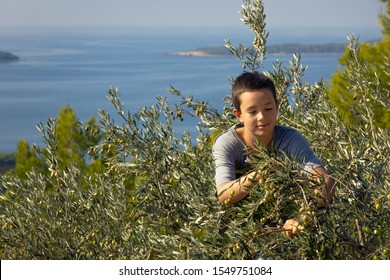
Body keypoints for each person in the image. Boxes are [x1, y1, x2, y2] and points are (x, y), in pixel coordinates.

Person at [212, 71, 335, 237]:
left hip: (283, 230)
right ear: (239, 115)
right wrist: (261, 173)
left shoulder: (290, 139)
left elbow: (325, 181)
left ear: (277, 106)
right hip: (240, 234)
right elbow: (223, 194)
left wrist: (303, 216)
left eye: (268, 108)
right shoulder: (227, 144)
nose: (262, 117)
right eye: (252, 112)